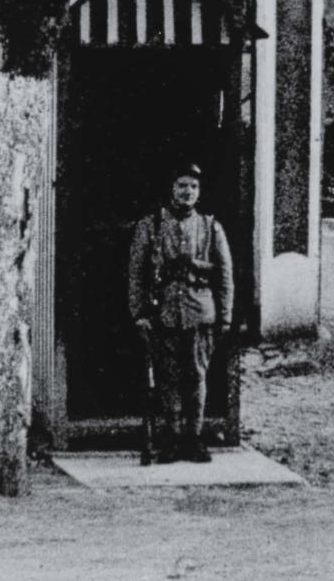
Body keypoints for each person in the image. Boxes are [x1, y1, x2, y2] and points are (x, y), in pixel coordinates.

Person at [128, 163, 233, 463]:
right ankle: (172, 438)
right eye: (182, 185)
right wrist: (139, 313)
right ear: (171, 189)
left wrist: (225, 317)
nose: (188, 192)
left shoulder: (211, 228)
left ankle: (193, 437)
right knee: (168, 377)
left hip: (201, 312)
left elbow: (225, 276)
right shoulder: (151, 226)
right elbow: (136, 274)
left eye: (193, 187)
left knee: (197, 375)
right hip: (165, 313)